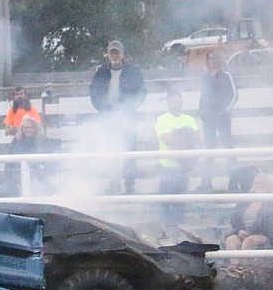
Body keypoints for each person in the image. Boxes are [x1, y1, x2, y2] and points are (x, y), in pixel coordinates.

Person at [89, 40, 148, 194]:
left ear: (123, 54)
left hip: (127, 116)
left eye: (117, 52)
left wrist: (130, 107)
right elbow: (94, 92)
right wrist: (103, 108)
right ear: (108, 55)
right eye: (112, 52)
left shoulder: (133, 71)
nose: (115, 55)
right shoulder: (101, 72)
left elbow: (142, 92)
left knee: (129, 151)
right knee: (110, 150)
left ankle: (129, 184)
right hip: (108, 117)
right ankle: (113, 182)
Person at [155, 89, 200, 226]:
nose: (176, 103)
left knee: (180, 202)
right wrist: (185, 137)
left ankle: (177, 229)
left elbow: (196, 137)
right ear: (168, 102)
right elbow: (168, 139)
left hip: (184, 168)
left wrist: (178, 137)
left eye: (178, 100)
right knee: (165, 202)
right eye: (173, 100)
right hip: (167, 167)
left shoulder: (189, 119)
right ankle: (164, 229)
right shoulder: (162, 119)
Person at [197, 50, 238, 192]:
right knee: (209, 150)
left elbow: (234, 95)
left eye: (214, 58)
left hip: (222, 119)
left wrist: (224, 110)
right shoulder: (206, 77)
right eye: (209, 58)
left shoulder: (226, 75)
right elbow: (202, 96)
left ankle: (234, 183)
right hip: (208, 119)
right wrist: (200, 110)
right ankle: (206, 183)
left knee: (228, 150)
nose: (211, 61)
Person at [0, 116, 57, 197]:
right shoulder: (16, 142)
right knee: (2, 192)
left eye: (31, 127)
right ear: (22, 128)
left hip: (40, 177)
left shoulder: (44, 141)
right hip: (17, 179)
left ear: (36, 128)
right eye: (26, 127)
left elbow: (51, 162)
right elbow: (9, 163)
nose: (28, 130)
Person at [225, 171, 273, 251]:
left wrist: (251, 232)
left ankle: (243, 263)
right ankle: (234, 263)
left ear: (269, 187)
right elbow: (234, 219)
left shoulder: (270, 202)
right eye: (256, 183)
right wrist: (240, 230)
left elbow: (269, 224)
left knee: (249, 241)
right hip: (243, 233)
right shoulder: (245, 201)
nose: (258, 185)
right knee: (231, 240)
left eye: (261, 183)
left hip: (265, 235)